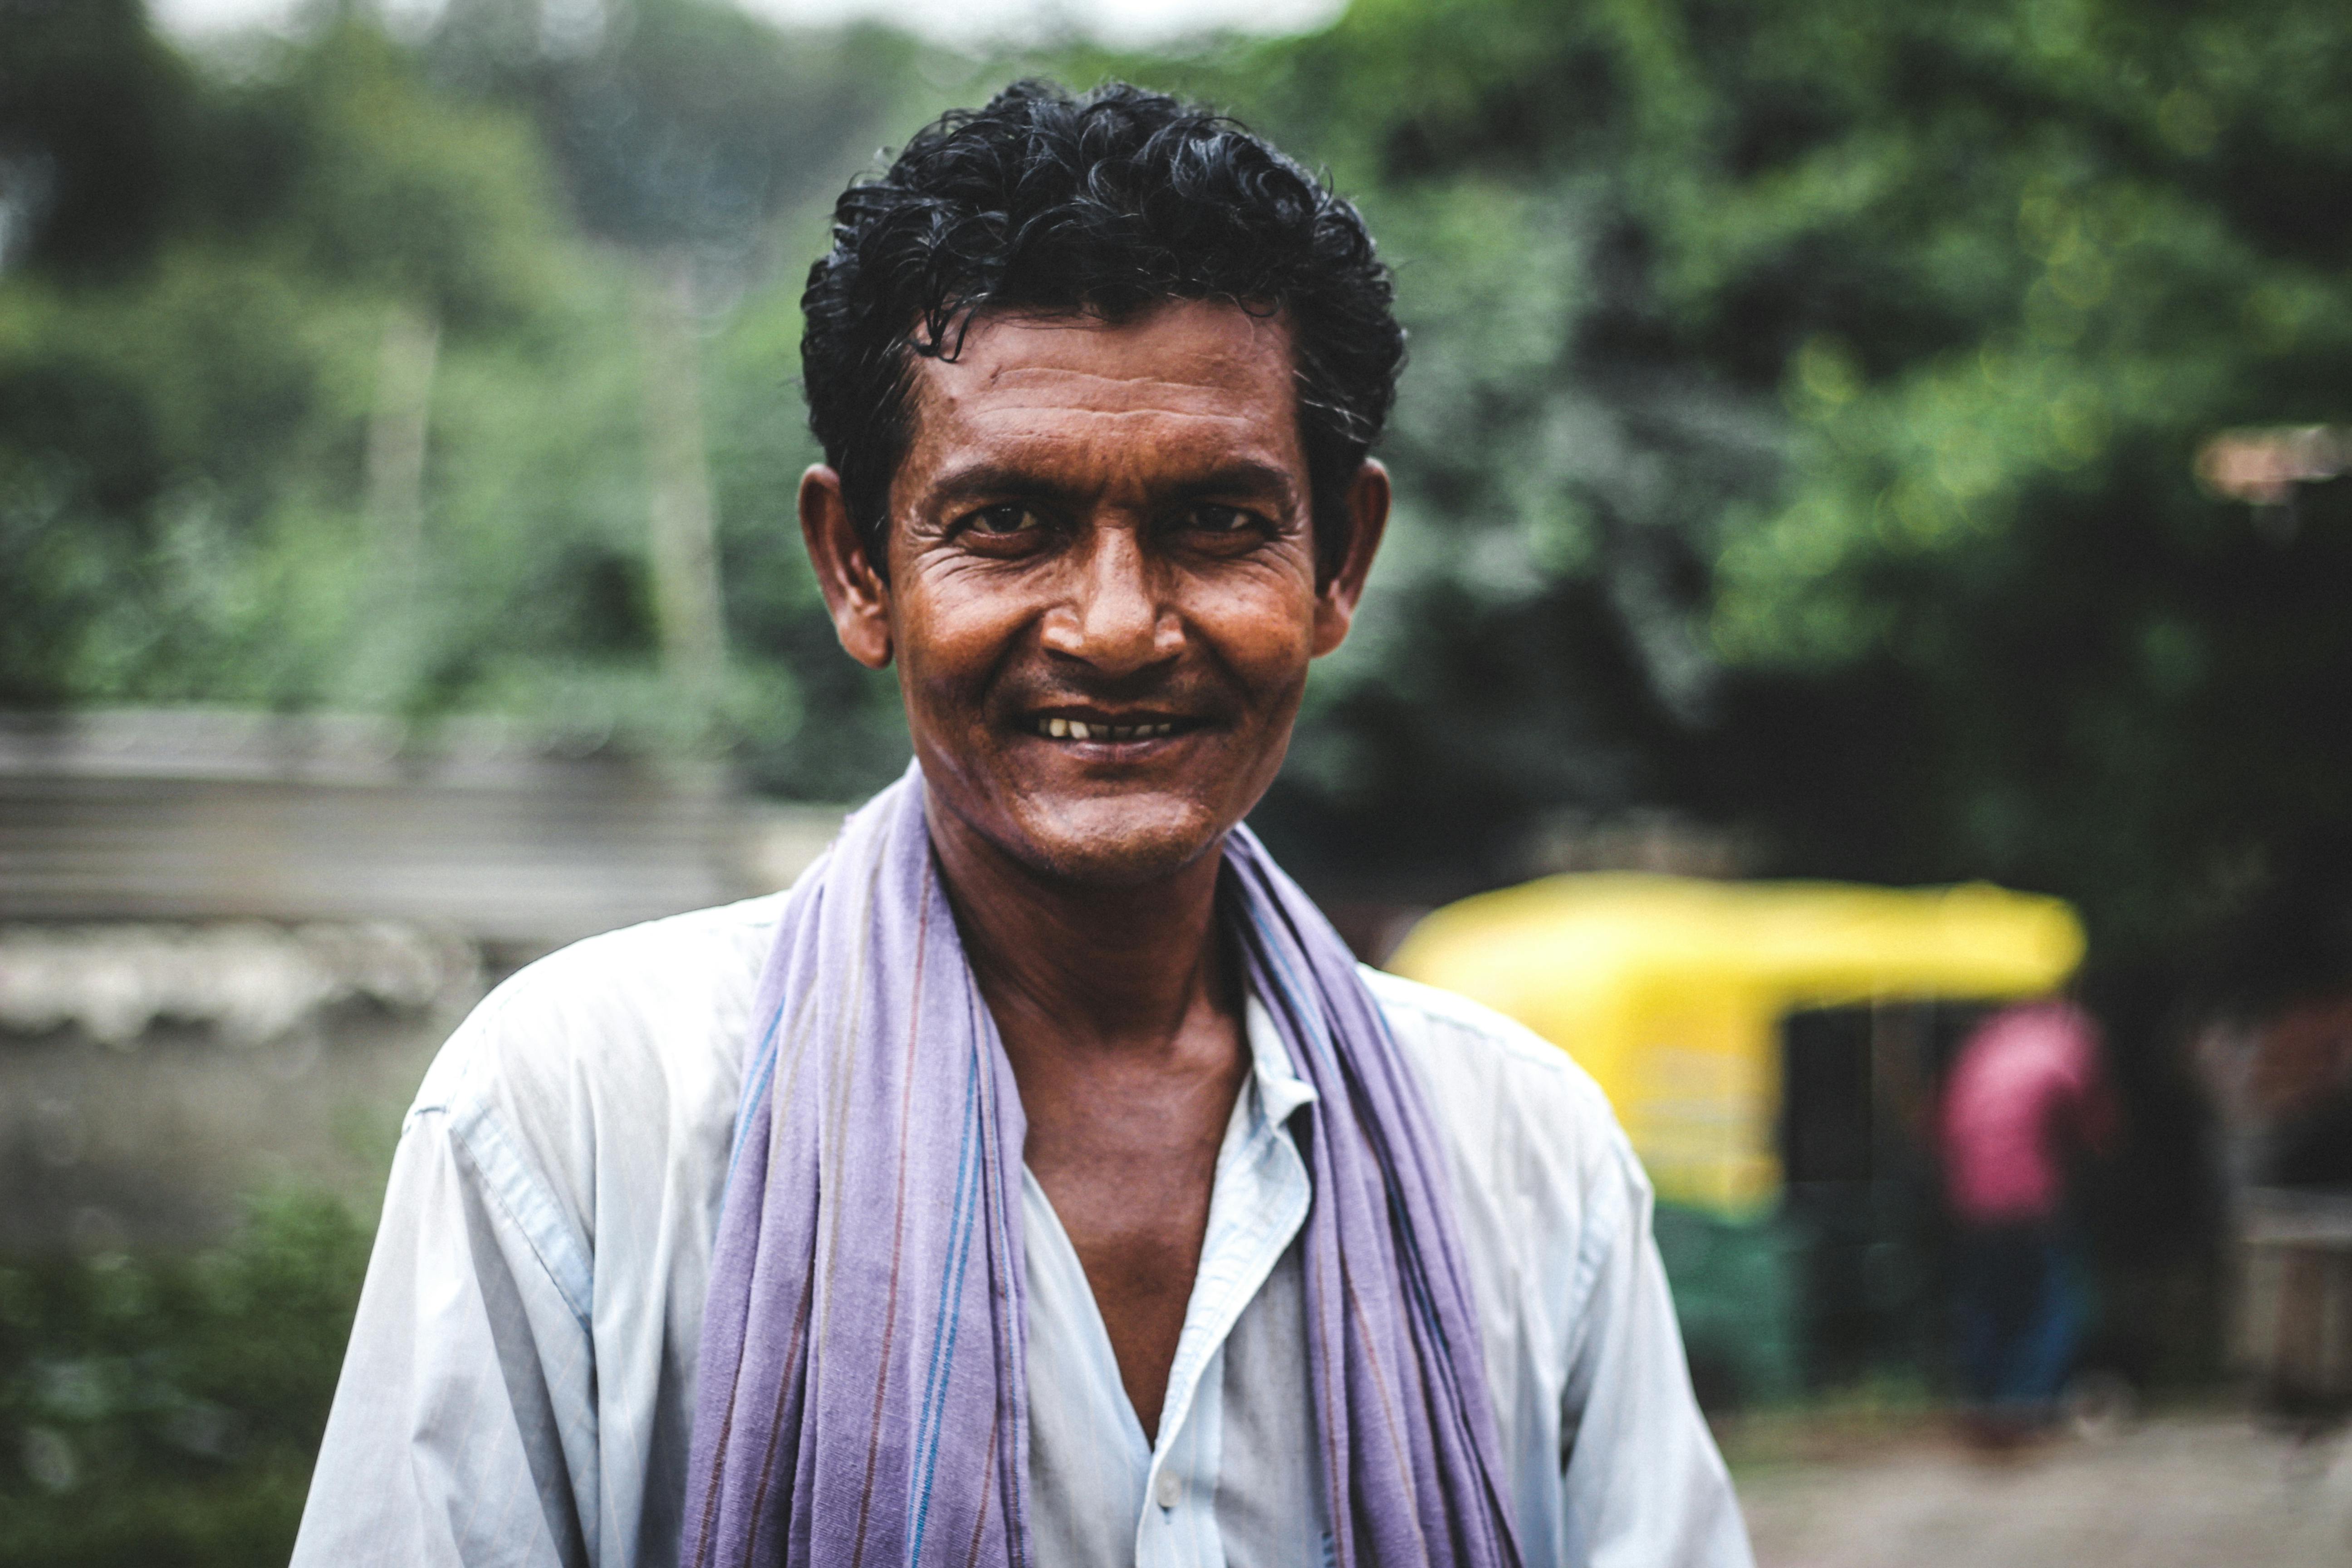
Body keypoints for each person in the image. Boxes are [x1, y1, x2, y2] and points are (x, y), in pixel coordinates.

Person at [292, 81, 1749, 1568]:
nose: (1116, 627)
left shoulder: (1519, 1152)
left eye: (1219, 524)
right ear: (858, 565)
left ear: (1338, 561)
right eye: (1005, 524)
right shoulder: (581, 1114)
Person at [1938, 997, 2118, 1439]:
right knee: (2051, 1305)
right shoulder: (2067, 1042)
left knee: (1989, 1304)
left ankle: (1986, 1401)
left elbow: (1942, 1122)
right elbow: (2095, 1126)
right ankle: (2028, 1404)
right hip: (2031, 1198)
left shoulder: (1984, 1042)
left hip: (1971, 1199)